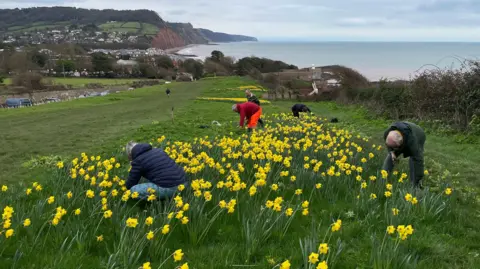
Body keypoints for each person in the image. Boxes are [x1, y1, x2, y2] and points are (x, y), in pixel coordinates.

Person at [382, 122, 426, 188]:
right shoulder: (387, 133)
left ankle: (415, 185)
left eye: (395, 148)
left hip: (419, 134)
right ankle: (383, 180)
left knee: (414, 159)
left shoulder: (413, 143)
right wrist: (391, 152)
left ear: (401, 142)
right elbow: (389, 145)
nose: (395, 149)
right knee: (390, 156)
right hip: (402, 135)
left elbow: (418, 161)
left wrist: (418, 178)